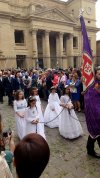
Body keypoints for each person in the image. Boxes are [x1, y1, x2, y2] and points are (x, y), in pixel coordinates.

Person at [85, 68, 100, 158]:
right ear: (95, 75)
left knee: (95, 135)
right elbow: (90, 101)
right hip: (94, 114)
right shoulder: (92, 86)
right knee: (95, 133)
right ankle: (90, 150)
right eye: (99, 74)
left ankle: (89, 149)